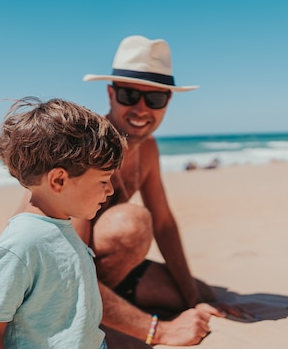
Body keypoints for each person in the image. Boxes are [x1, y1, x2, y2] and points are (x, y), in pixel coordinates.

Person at [78, 35, 243, 347]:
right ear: (111, 94)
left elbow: (165, 224)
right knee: (132, 223)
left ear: (168, 102)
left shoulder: (147, 150)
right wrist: (157, 330)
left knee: (203, 294)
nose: (142, 109)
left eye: (154, 99)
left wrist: (193, 302)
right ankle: (86, 314)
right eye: (130, 95)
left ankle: (110, 305)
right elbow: (65, 260)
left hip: (103, 271)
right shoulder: (87, 146)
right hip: (53, 275)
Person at [0, 97, 126, 349]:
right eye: (103, 181)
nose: (109, 191)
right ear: (59, 181)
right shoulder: (20, 244)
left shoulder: (62, 228)